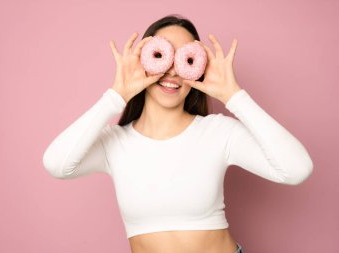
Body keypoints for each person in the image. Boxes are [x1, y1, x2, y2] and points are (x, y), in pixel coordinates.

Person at [42, 14, 314, 253]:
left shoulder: (219, 132)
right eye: (162, 56)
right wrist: (116, 96)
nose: (172, 70)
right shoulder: (114, 143)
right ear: (142, 60)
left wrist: (235, 97)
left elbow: (296, 169)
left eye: (185, 58)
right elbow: (56, 164)